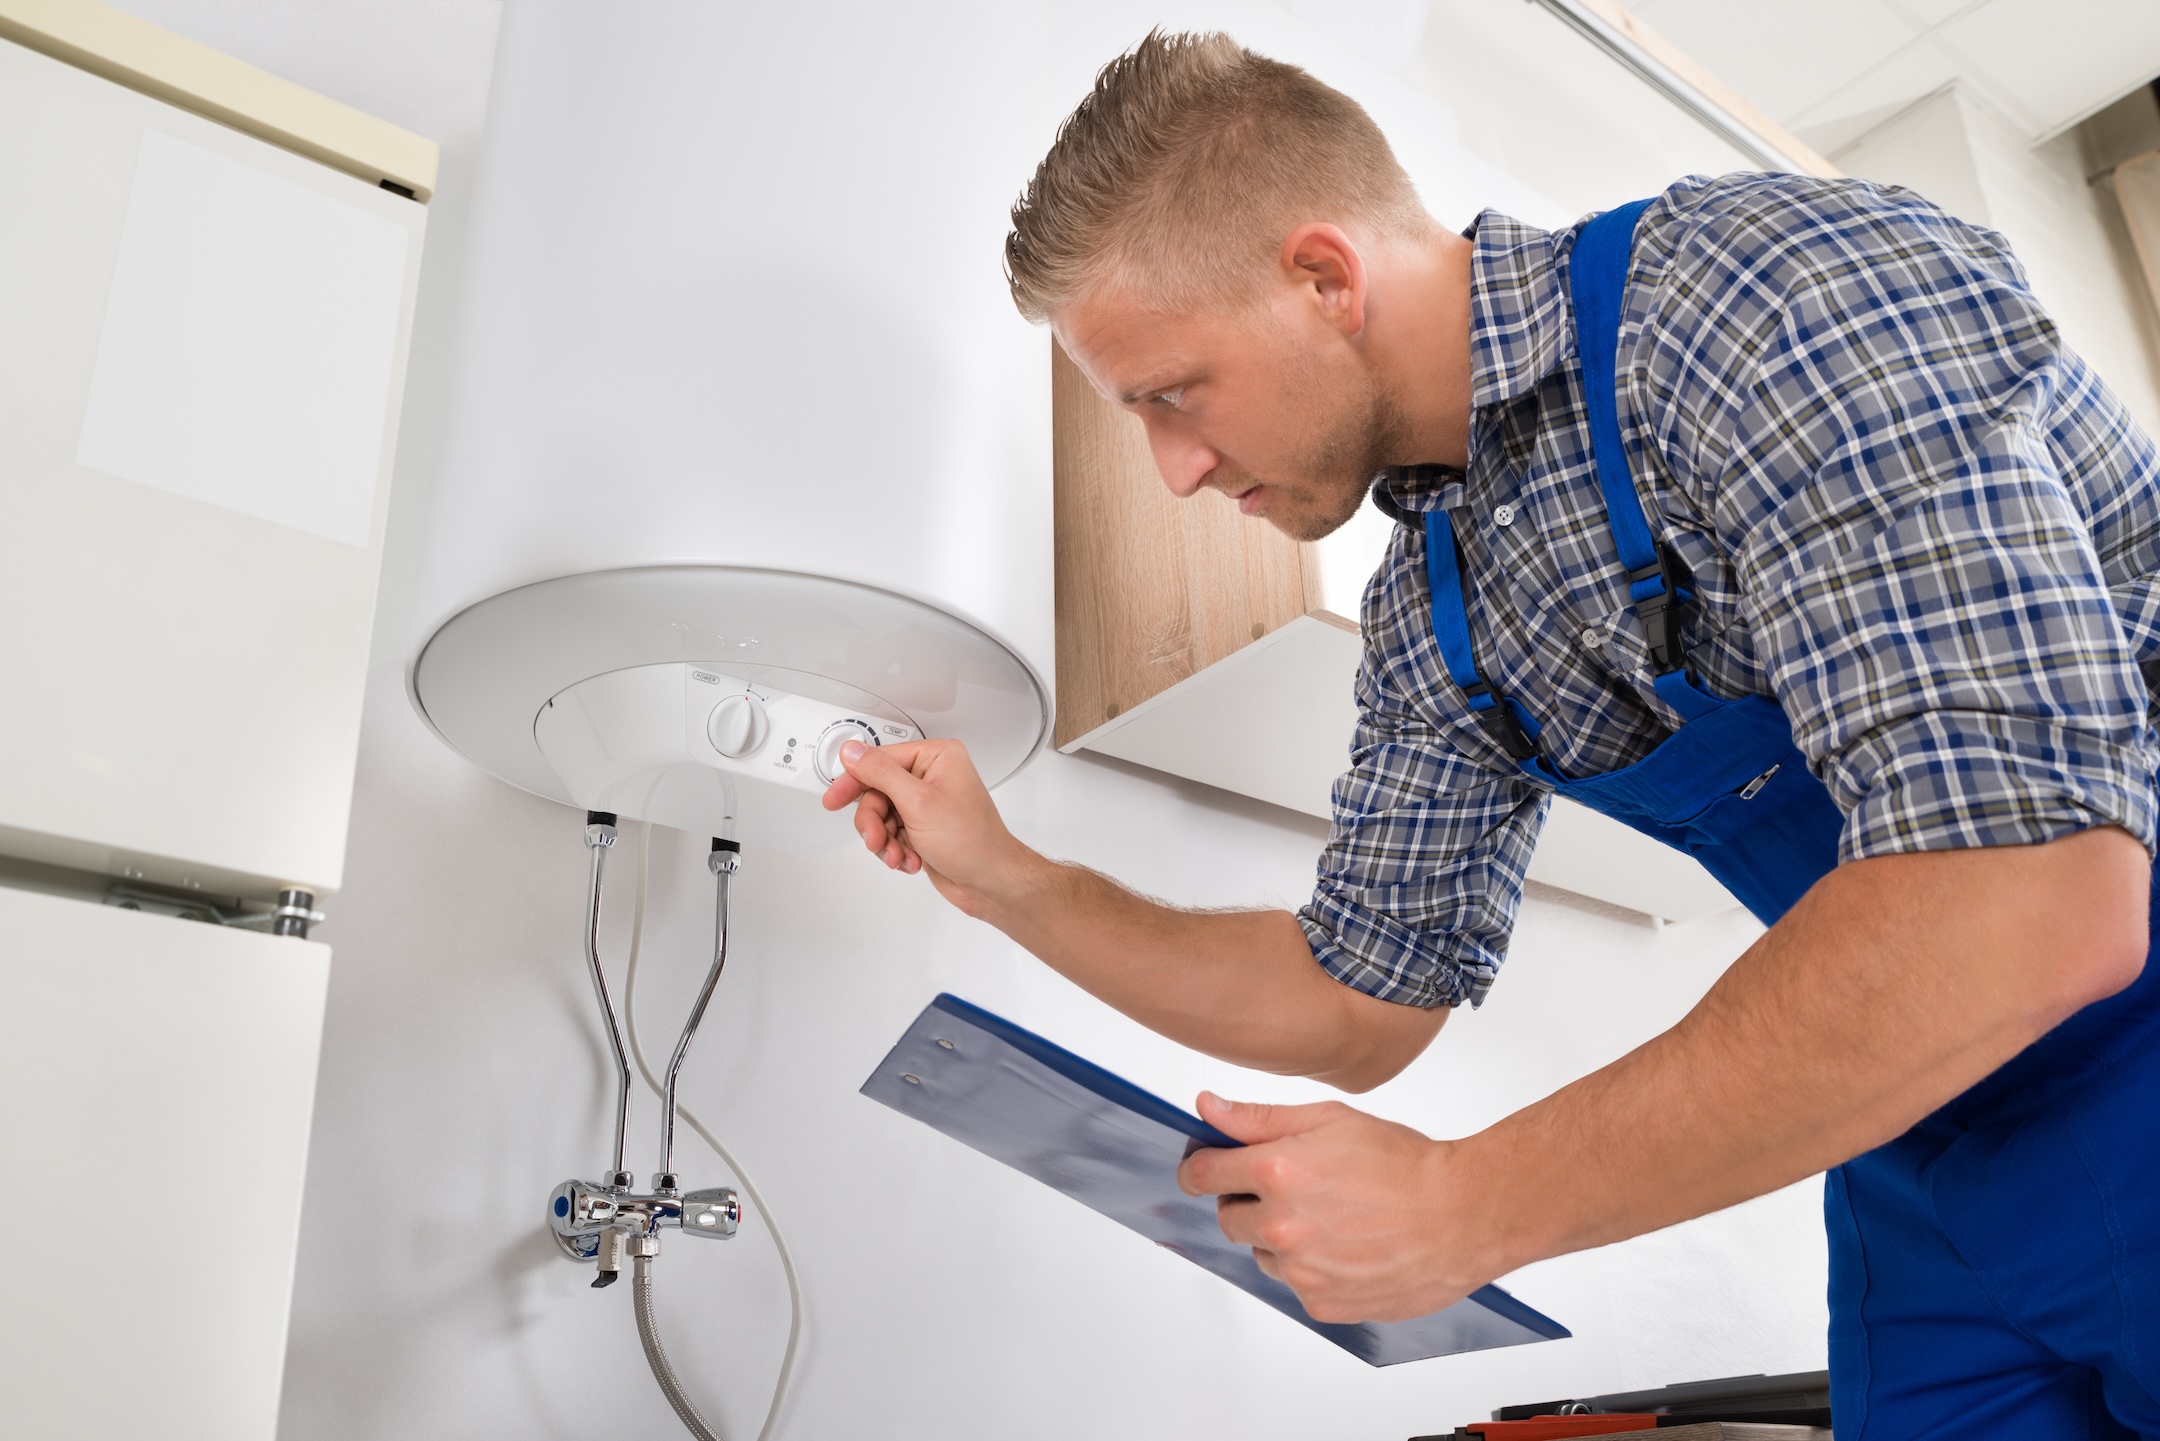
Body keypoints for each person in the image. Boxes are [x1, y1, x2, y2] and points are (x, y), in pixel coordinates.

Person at [822, 30, 2160, 1437]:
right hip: (1928, 1147)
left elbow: (2033, 895)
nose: (1175, 469)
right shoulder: (1437, 610)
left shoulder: (1760, 301)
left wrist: (1465, 1203)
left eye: (1172, 394)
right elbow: (1351, 1002)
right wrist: (1009, 878)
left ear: (1325, 279)